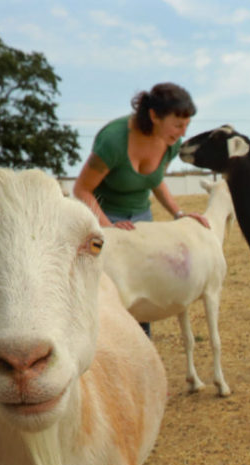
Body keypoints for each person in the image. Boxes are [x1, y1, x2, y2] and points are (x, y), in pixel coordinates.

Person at [73, 82, 208, 335]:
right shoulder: (113, 141)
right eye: (177, 125)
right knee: (107, 296)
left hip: (141, 220)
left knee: (140, 293)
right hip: (104, 219)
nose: (182, 133)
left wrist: (179, 213)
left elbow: (155, 181)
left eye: (186, 126)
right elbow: (82, 190)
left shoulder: (171, 143)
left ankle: (140, 351)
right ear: (154, 116)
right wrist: (109, 227)